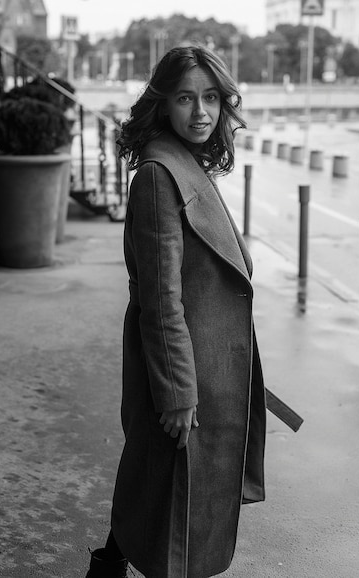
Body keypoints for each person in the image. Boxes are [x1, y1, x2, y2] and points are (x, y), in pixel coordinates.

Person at [85, 44, 267, 578]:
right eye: (185, 98)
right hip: (186, 369)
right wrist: (177, 391)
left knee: (159, 480)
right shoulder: (160, 177)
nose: (202, 112)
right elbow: (162, 300)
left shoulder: (185, 163)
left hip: (206, 362)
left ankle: (108, 563)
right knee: (177, 500)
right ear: (163, 104)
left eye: (210, 97)